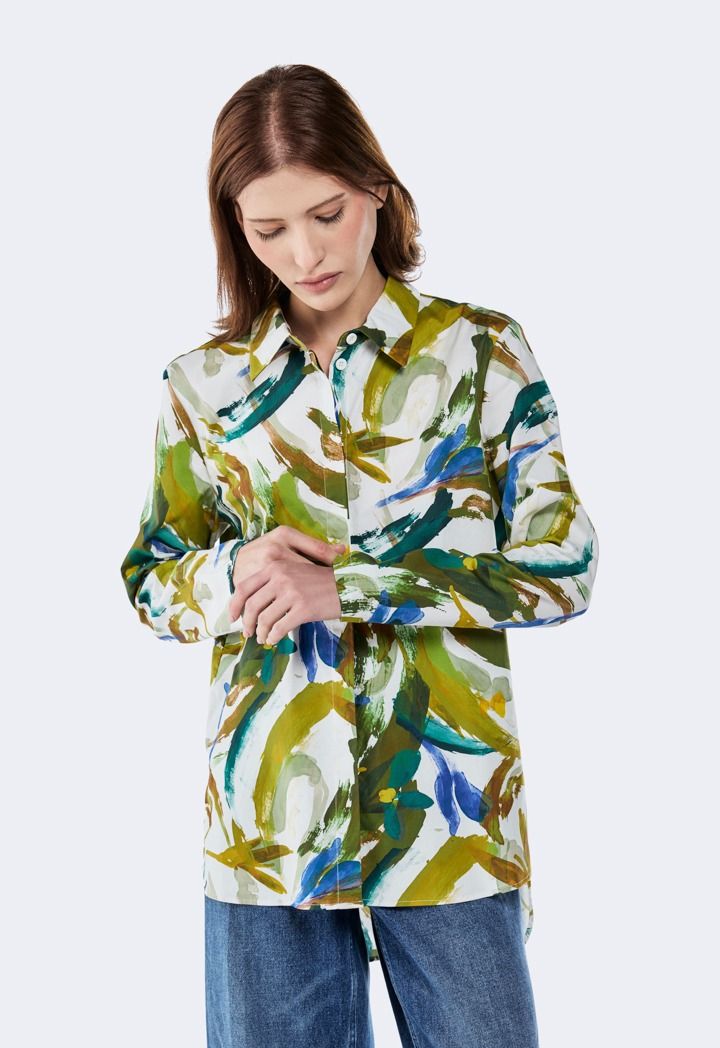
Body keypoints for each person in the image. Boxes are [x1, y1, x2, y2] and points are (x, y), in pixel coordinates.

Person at [120, 63, 599, 1048]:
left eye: (328, 214)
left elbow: (566, 565)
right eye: (270, 229)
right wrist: (233, 572)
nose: (305, 252)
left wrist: (350, 585)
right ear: (236, 229)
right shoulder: (202, 385)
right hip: (267, 833)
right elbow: (152, 576)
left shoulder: (481, 355)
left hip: (449, 823)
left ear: (377, 189)